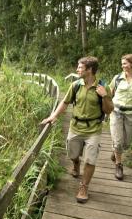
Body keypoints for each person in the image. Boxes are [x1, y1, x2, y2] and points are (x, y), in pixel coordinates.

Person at [41, 56, 113, 203]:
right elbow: (65, 102)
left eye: (80, 67)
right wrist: (53, 116)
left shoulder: (103, 87)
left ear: (90, 70)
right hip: (75, 126)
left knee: (90, 160)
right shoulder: (75, 85)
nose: (77, 70)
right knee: (72, 154)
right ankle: (75, 163)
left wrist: (105, 96)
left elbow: (109, 110)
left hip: (93, 129)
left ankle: (84, 187)